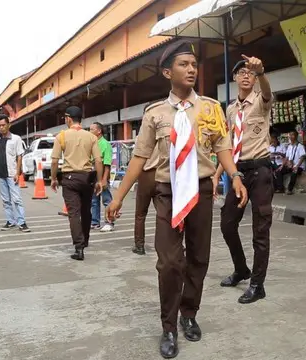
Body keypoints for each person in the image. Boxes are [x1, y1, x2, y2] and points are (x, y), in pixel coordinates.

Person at [105, 40, 247, 359]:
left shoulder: (211, 108)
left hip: (200, 190)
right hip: (166, 193)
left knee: (198, 257)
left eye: (194, 65)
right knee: (169, 262)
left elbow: (223, 146)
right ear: (168, 72)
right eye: (184, 65)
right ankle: (168, 327)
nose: (192, 69)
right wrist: (117, 198)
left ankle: (189, 313)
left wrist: (235, 176)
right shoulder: (155, 114)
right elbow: (140, 158)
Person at [212, 54, 274, 304]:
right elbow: (226, 145)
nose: (246, 75)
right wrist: (217, 174)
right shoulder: (230, 109)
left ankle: (257, 284)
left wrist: (261, 72)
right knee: (227, 223)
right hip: (237, 173)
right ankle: (241, 269)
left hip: (260, 172)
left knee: (260, 229)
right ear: (235, 78)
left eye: (250, 72)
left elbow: (267, 90)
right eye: (242, 72)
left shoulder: (261, 100)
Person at [51, 106, 104, 261]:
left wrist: (54, 179)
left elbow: (54, 161)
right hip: (87, 178)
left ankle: (79, 247)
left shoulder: (61, 136)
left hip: (69, 179)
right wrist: (99, 181)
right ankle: (85, 240)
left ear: (68, 118)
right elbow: (98, 160)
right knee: (86, 211)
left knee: (73, 213)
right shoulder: (91, 137)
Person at [0, 114, 30, 232]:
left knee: (17, 199)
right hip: (0, 174)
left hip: (12, 174)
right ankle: (10, 221)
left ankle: (22, 222)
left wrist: (17, 173)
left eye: (3, 125)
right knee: (5, 199)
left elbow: (19, 156)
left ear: (9, 125)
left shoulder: (16, 139)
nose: (1, 128)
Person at [89, 122, 115, 232]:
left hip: (102, 175)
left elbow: (107, 164)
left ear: (99, 131)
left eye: (91, 129)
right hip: (93, 175)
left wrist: (104, 179)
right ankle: (95, 222)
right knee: (94, 200)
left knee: (106, 200)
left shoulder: (105, 144)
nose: (89, 132)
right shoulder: (92, 143)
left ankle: (110, 222)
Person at [133, 148, 159, 255]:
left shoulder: (143, 138)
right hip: (161, 174)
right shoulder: (166, 134)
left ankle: (139, 246)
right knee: (165, 213)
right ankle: (172, 243)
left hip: (145, 174)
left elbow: (136, 160)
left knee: (140, 214)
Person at [275, 130, 306, 194]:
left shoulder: (300, 146)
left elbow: (303, 157)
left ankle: (289, 189)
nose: (291, 137)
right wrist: (282, 165)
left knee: (294, 173)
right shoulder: (289, 146)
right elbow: (287, 157)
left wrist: (297, 166)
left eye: (292, 135)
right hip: (290, 166)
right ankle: (280, 188)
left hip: (298, 166)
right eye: (290, 135)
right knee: (278, 171)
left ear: (296, 136)